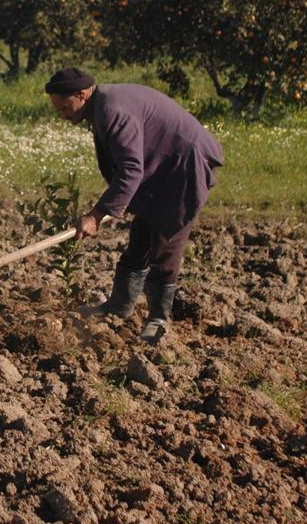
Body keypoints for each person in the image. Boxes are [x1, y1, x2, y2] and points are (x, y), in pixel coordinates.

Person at [45, 67, 224, 345]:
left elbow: (130, 170)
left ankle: (159, 319)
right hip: (163, 166)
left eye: (64, 107)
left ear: (81, 95)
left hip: (185, 166)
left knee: (166, 239)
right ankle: (119, 306)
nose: (63, 115)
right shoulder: (100, 105)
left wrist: (96, 215)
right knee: (142, 233)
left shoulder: (111, 110)